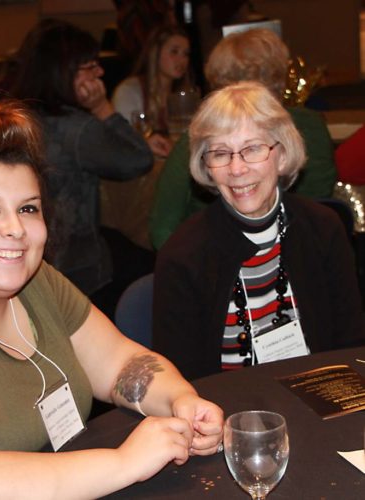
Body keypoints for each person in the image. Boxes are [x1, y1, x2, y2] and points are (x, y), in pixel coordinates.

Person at [0, 97, 223, 498]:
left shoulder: (33, 280)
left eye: (28, 209)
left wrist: (180, 400)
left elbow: (119, 363)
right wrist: (123, 462)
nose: (14, 229)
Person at [153, 82, 365, 381]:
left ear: (281, 154)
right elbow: (182, 382)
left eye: (252, 149)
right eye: (220, 153)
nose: (237, 168)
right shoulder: (183, 256)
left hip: (320, 398)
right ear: (207, 166)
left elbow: (350, 345)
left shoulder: (323, 229)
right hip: (228, 413)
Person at [0, 20, 156, 318]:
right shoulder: (78, 130)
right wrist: (103, 107)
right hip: (77, 269)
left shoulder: (7, 115)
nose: (100, 72)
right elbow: (138, 160)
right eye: (91, 66)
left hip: (15, 256)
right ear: (64, 72)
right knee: (155, 259)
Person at [150, 27, 337, 250]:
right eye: (222, 154)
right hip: (311, 250)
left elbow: (161, 231)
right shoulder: (314, 124)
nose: (237, 168)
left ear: (221, 83)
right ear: (279, 75)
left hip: (221, 259)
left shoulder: (204, 138)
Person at [112, 25, 193, 158]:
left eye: (186, 54)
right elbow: (123, 139)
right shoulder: (129, 91)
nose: (182, 60)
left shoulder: (184, 94)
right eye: (174, 52)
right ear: (155, 53)